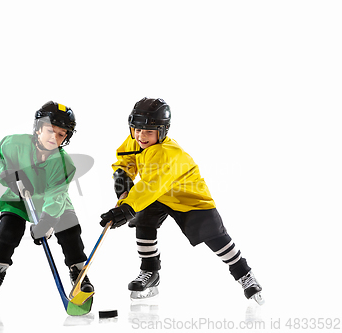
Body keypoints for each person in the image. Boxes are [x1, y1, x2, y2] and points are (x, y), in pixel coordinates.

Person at [99, 97, 264, 304]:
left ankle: (244, 273)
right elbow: (126, 159)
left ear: (163, 130)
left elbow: (151, 186)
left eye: (148, 132)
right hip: (158, 195)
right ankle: (150, 272)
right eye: (137, 129)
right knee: (143, 222)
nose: (141, 136)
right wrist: (122, 181)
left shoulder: (167, 153)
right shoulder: (136, 139)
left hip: (188, 197)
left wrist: (125, 209)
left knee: (214, 235)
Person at [0, 101, 93, 299]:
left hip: (52, 203)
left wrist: (48, 221)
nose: (55, 137)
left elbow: (57, 194)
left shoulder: (64, 163)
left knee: (70, 232)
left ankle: (79, 272)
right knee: (8, 230)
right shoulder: (13, 143)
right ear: (38, 128)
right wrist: (7, 175)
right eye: (50, 131)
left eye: (61, 134)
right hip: (18, 196)